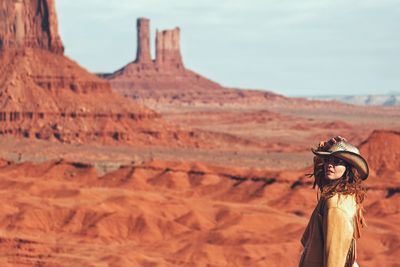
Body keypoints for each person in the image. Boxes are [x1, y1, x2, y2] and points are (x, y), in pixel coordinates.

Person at [299, 136, 369, 267]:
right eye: (328, 160)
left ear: (348, 169)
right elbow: (320, 174)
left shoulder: (336, 206)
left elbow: (334, 257)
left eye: (336, 161)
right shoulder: (341, 193)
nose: (329, 165)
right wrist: (325, 148)